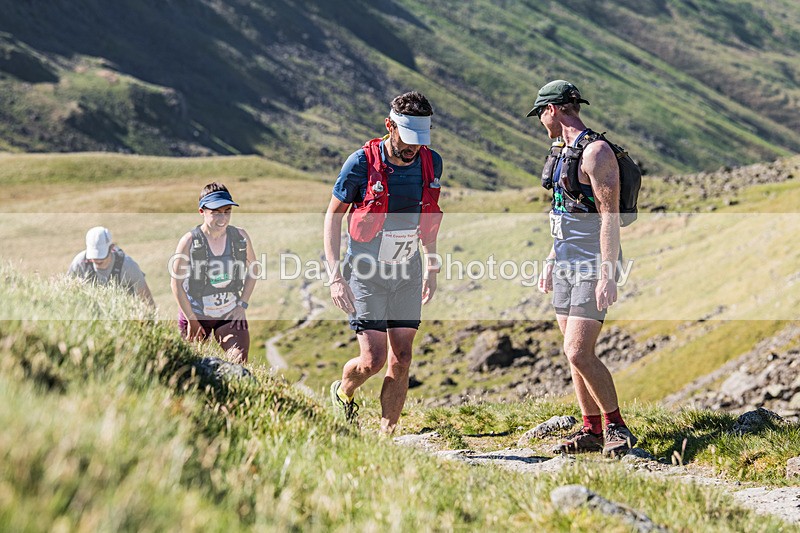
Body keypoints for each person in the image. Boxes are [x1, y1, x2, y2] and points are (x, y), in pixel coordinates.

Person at [528, 80, 637, 457]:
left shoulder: (596, 153)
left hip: (592, 264)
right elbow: (564, 210)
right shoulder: (562, 151)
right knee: (571, 351)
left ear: (552, 110)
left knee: (578, 351)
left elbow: (609, 217)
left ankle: (617, 426)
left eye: (540, 114)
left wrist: (608, 274)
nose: (540, 121)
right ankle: (591, 430)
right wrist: (550, 258)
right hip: (564, 262)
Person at [324, 91, 443, 433]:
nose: (413, 147)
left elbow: (428, 216)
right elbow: (333, 217)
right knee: (373, 360)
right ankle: (343, 392)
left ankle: (386, 436)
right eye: (407, 138)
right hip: (365, 274)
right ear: (389, 126)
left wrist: (431, 265)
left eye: (420, 140)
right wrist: (335, 276)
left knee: (402, 358)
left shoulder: (431, 162)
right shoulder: (360, 163)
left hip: (407, 271)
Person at [170, 183, 257, 364]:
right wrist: (192, 320)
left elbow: (254, 269)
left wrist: (242, 304)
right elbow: (175, 284)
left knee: (239, 363)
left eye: (227, 211)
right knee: (190, 367)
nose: (222, 218)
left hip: (229, 314)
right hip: (195, 314)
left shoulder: (240, 237)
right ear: (202, 211)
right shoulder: (189, 241)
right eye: (216, 212)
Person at [68, 226, 155, 307]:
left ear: (111, 248)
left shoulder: (128, 266)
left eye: (101, 256)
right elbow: (67, 292)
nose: (97, 260)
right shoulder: (79, 263)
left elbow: (147, 300)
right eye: (94, 256)